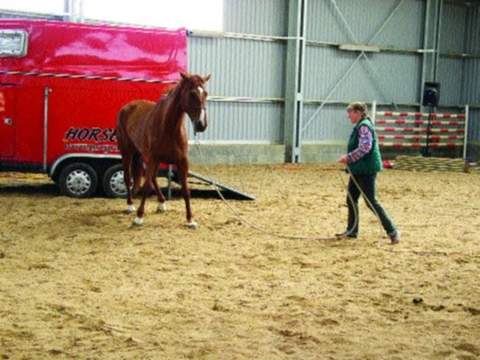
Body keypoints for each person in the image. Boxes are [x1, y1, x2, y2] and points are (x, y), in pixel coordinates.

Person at [337, 101, 401, 245]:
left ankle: (393, 231)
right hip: (359, 170)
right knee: (351, 199)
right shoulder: (360, 126)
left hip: (367, 170)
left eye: (350, 113)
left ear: (358, 112)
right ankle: (352, 230)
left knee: (371, 201)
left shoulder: (364, 127)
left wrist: (348, 158)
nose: (349, 116)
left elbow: (365, 148)